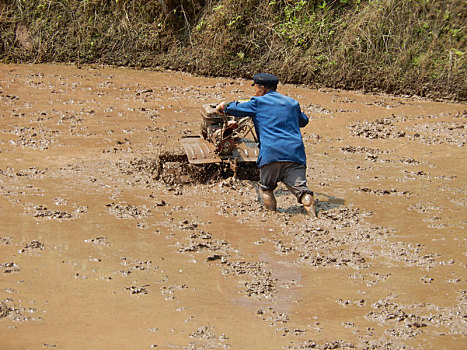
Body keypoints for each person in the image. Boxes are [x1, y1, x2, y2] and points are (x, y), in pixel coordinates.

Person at [216, 73, 317, 218]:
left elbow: (235, 108)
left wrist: (224, 106)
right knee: (303, 192)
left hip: (271, 154)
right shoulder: (292, 103)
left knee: (266, 189)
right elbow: (303, 121)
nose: (255, 92)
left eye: (256, 88)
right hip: (295, 155)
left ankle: (272, 219)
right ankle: (314, 219)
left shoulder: (257, 102)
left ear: (263, 89)